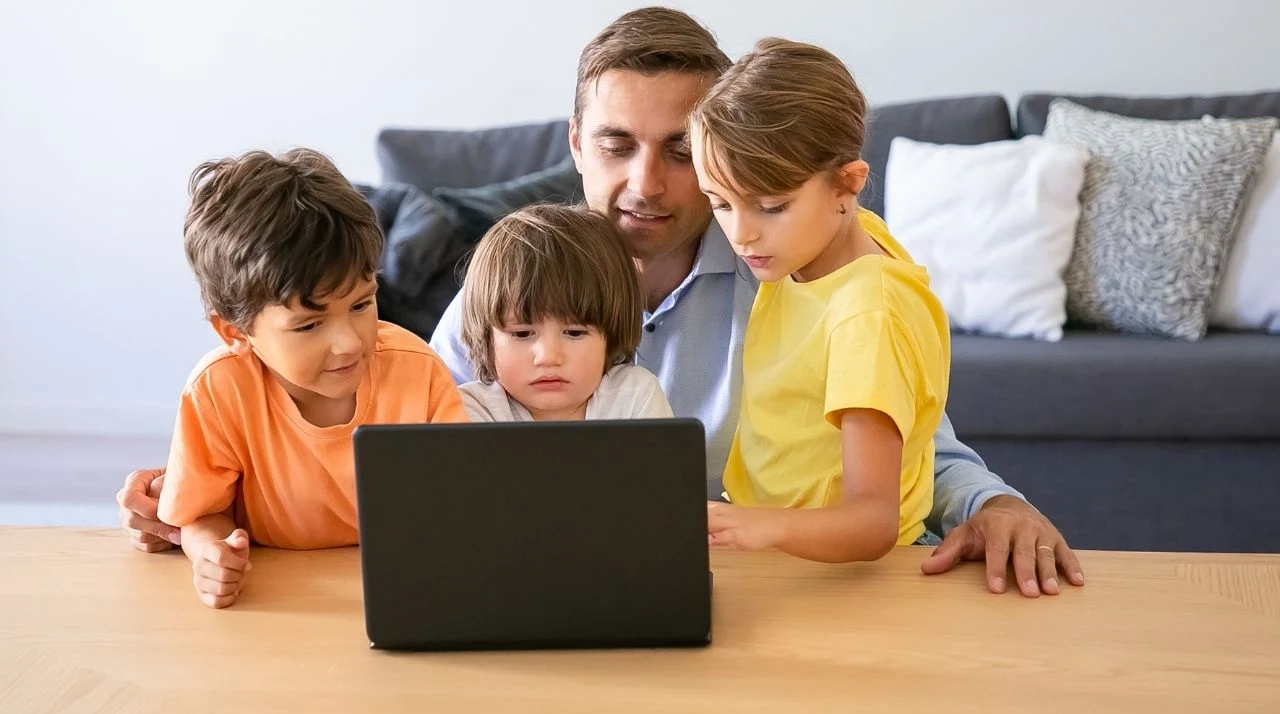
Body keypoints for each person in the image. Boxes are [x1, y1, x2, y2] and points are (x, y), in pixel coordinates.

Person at [120, 7, 1083, 598]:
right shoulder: (513, 279)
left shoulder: (789, 270)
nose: (647, 185)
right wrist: (203, 500)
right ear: (575, 144)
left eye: (679, 152)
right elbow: (394, 436)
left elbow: (912, 440)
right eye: (618, 144)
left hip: (752, 595)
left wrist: (996, 502)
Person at [156, 148, 467, 608]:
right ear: (235, 331)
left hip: (399, 593)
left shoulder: (417, 371)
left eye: (361, 304)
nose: (348, 343)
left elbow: (462, 506)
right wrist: (211, 554)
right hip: (283, 601)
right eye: (308, 325)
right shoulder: (218, 391)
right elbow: (203, 514)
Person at [689, 37, 949, 563]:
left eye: (771, 206)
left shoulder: (866, 316)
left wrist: (760, 526)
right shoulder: (824, 245)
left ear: (847, 185)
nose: (742, 235)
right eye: (719, 202)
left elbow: (873, 521)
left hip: (849, 571)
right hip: (787, 552)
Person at [457, 203, 672, 421]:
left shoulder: (633, 395)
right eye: (522, 334)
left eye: (574, 333)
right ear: (486, 339)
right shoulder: (472, 409)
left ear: (611, 336)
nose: (549, 357)